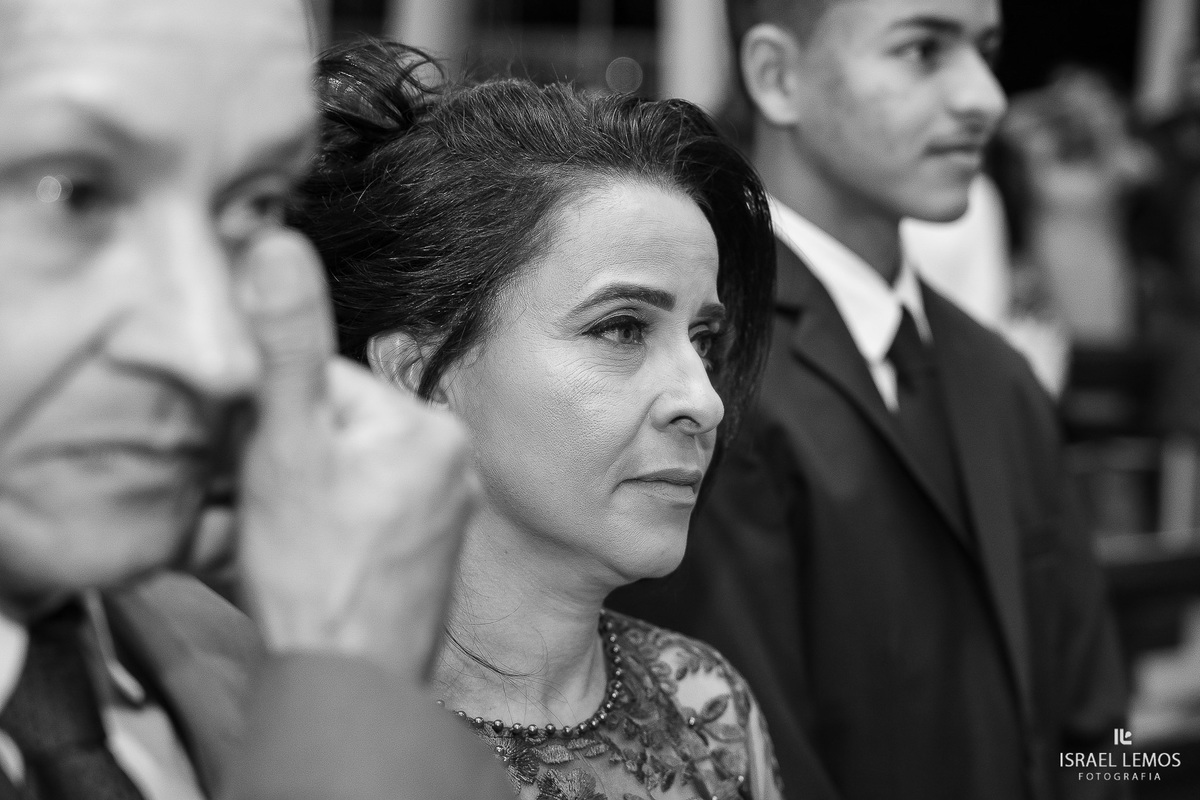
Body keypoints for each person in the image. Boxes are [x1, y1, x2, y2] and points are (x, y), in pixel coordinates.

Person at [612, 1, 1130, 799]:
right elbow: (741, 752)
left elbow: (1098, 708)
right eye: (923, 49)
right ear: (777, 77)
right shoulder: (708, 376)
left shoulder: (997, 374)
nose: (985, 97)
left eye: (986, 49)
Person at [0, 0, 510, 798]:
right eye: (74, 194)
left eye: (256, 205)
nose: (214, 353)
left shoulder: (222, 659)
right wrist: (351, 692)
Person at [291, 39, 782, 800]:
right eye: (622, 329)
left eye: (704, 340)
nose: (704, 399)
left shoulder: (709, 711)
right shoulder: (295, 731)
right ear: (419, 375)